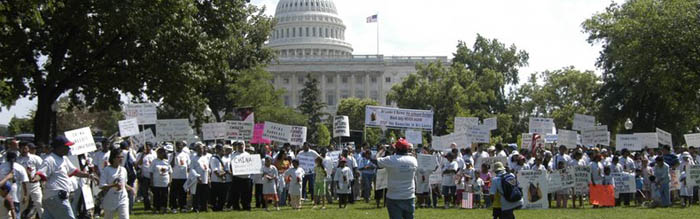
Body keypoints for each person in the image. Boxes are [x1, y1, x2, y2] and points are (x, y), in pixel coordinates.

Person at [35, 136, 98, 219]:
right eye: (66, 146)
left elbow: (75, 171)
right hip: (56, 196)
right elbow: (41, 173)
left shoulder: (64, 159)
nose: (69, 148)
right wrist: (34, 178)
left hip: (54, 197)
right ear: (59, 147)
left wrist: (89, 175)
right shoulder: (50, 160)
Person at [377, 138, 418, 219]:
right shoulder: (413, 160)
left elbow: (377, 160)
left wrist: (381, 150)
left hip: (394, 197)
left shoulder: (391, 159)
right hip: (409, 196)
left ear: (396, 148)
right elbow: (411, 156)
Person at [99, 149, 135, 219]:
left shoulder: (123, 170)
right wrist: (114, 185)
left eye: (122, 157)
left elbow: (124, 184)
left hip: (122, 198)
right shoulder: (106, 170)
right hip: (110, 198)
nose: (121, 159)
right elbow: (102, 186)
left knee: (124, 217)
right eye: (119, 157)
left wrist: (131, 188)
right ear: (113, 158)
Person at [17, 142, 43, 218]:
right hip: (22, 186)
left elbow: (42, 169)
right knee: (22, 206)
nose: (24, 150)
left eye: (26, 148)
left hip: (34, 185)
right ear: (19, 149)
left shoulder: (35, 158)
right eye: (22, 148)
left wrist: (37, 177)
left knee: (39, 203)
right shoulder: (17, 160)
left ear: (28, 148)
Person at [229, 141, 253, 211]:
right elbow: (231, 165)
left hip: (246, 177)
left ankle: (246, 206)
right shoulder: (233, 155)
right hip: (237, 177)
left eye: (241, 145)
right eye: (238, 145)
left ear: (244, 145)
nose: (240, 146)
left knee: (246, 194)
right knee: (236, 194)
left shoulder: (248, 154)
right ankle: (236, 207)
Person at [169, 141, 189, 213]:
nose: (179, 147)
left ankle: (183, 207)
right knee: (174, 193)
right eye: (178, 145)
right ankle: (174, 207)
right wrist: (174, 156)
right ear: (175, 146)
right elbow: (171, 165)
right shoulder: (172, 154)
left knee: (183, 193)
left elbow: (188, 165)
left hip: (184, 177)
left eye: (180, 145)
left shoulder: (186, 155)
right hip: (175, 177)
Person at [150, 148, 171, 214]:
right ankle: (156, 208)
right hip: (156, 182)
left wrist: (170, 180)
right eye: (159, 153)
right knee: (156, 196)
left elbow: (170, 172)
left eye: (162, 153)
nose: (160, 154)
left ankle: (164, 208)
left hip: (165, 182)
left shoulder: (167, 162)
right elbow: (151, 172)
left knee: (164, 196)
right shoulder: (154, 161)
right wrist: (151, 181)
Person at [135, 142, 156, 212]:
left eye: (147, 147)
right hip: (144, 176)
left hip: (153, 176)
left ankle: (155, 205)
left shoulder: (154, 154)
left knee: (155, 192)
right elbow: (138, 164)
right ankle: (147, 207)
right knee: (145, 193)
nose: (146, 148)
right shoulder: (140, 154)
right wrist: (142, 155)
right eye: (145, 147)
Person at [209, 145, 228, 212]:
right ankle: (214, 208)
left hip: (222, 181)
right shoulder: (214, 159)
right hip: (216, 181)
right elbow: (216, 171)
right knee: (215, 196)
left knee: (222, 196)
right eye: (222, 150)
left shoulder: (223, 158)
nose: (223, 151)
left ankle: (220, 208)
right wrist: (225, 173)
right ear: (217, 150)